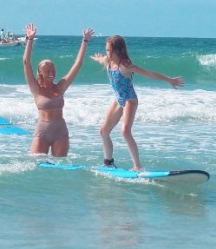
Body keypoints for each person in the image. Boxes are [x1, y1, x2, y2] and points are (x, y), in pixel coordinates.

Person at [90, 35, 184, 171]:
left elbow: (149, 73)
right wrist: (97, 58)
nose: (107, 53)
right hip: (119, 99)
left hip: (130, 100)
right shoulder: (108, 61)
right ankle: (108, 162)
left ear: (119, 50)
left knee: (125, 132)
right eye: (106, 50)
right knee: (103, 132)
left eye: (110, 50)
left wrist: (169, 80)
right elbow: (101, 60)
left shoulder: (125, 65)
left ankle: (137, 166)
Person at [22, 23, 95, 157]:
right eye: (48, 70)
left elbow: (77, 64)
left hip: (60, 132)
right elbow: (26, 62)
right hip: (42, 132)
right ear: (40, 73)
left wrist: (85, 41)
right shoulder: (36, 89)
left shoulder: (60, 86)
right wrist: (30, 40)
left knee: (61, 167)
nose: (52, 72)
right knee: (38, 163)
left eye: (53, 70)